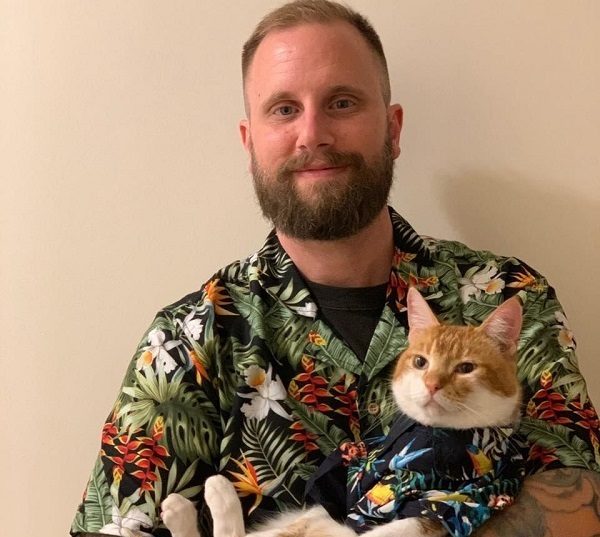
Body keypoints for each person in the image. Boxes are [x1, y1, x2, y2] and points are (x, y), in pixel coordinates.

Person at [71, 1, 600, 536]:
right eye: (283, 109)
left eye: (342, 102)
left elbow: (581, 502)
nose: (313, 134)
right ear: (249, 143)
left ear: (393, 130)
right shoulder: (186, 343)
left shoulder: (507, 295)